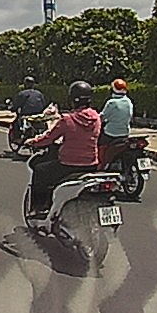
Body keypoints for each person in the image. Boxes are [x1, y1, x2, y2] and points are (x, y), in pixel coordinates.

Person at [24, 80, 102, 217]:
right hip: (91, 165)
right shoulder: (96, 119)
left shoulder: (67, 120)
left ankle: (39, 208)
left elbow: (48, 138)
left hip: (68, 164)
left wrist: (33, 142)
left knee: (40, 170)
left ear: (73, 100)